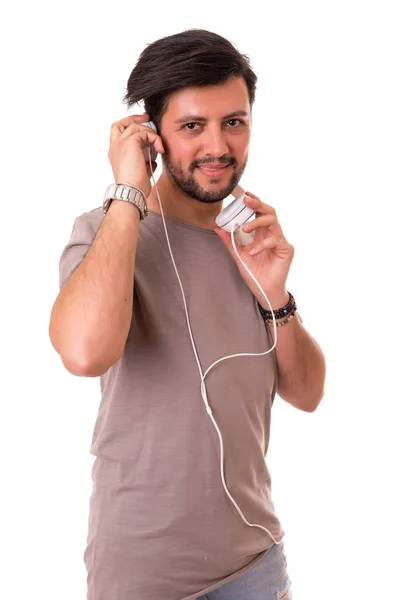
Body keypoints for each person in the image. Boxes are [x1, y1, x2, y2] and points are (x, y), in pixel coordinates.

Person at [49, 28, 326, 600]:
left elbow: (307, 393)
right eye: (192, 126)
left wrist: (276, 295)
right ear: (152, 135)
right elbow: (83, 353)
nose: (218, 147)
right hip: (143, 576)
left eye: (234, 121)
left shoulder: (250, 241)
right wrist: (130, 189)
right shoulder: (105, 234)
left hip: (256, 564)